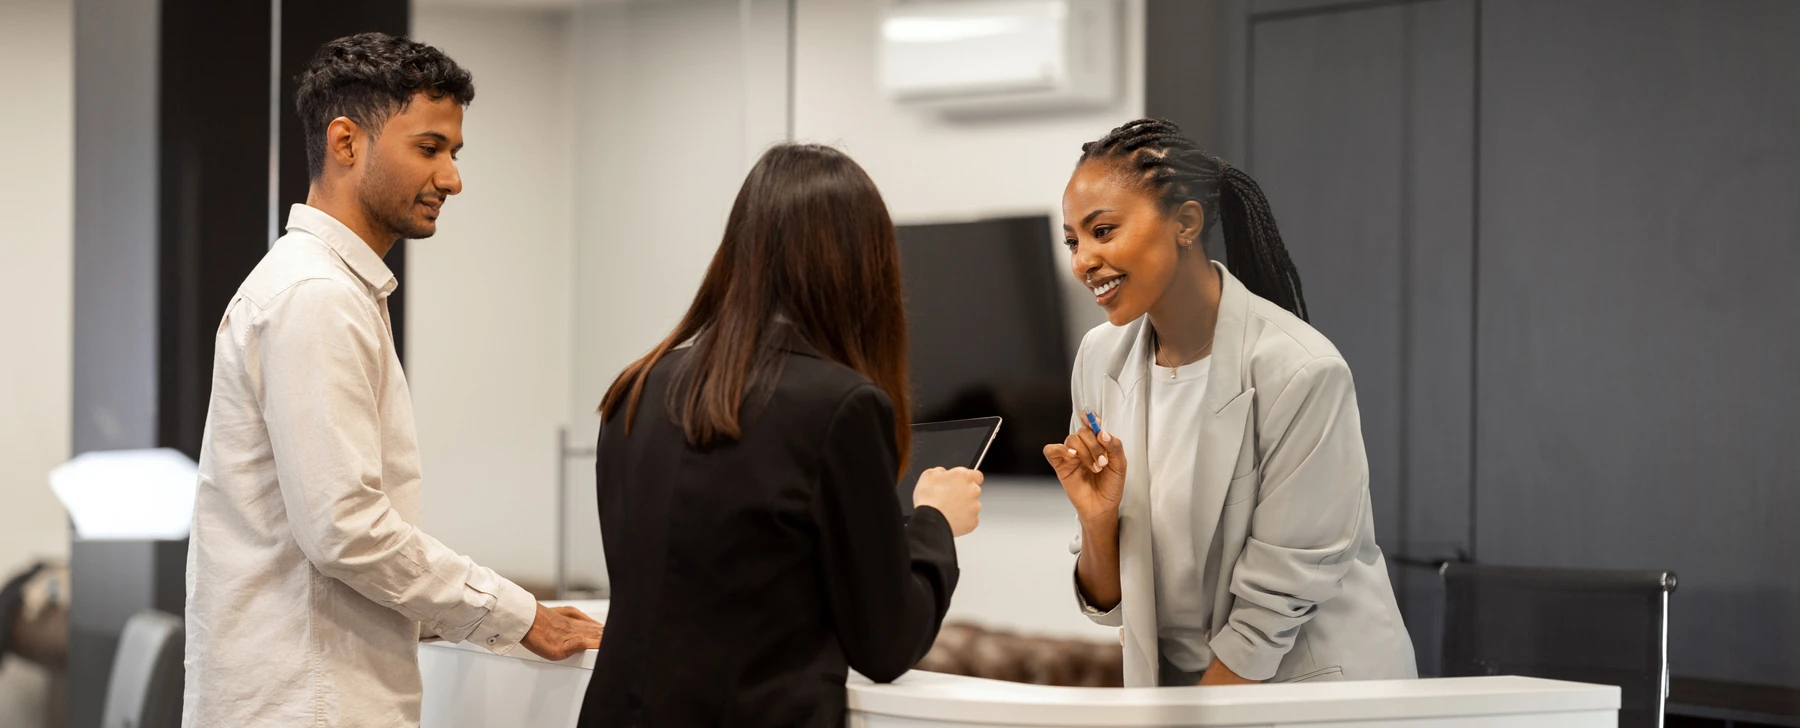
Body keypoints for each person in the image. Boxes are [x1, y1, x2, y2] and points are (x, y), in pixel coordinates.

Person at [183, 33, 603, 727]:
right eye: (430, 148)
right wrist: (516, 615)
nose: (452, 178)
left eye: (454, 154)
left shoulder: (327, 290)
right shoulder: (314, 296)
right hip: (307, 707)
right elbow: (346, 531)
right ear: (346, 143)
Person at [579, 143, 985, 727]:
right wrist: (934, 523)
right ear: (865, 264)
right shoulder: (842, 406)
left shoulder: (637, 388)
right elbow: (886, 643)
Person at [1047, 118, 1416, 688]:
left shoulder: (1299, 370)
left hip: (1314, 694)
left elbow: (1274, 609)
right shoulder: (1100, 359)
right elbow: (1113, 605)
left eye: (1103, 230)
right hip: (1195, 696)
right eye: (1074, 240)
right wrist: (1098, 525)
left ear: (1186, 223)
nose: (1083, 261)